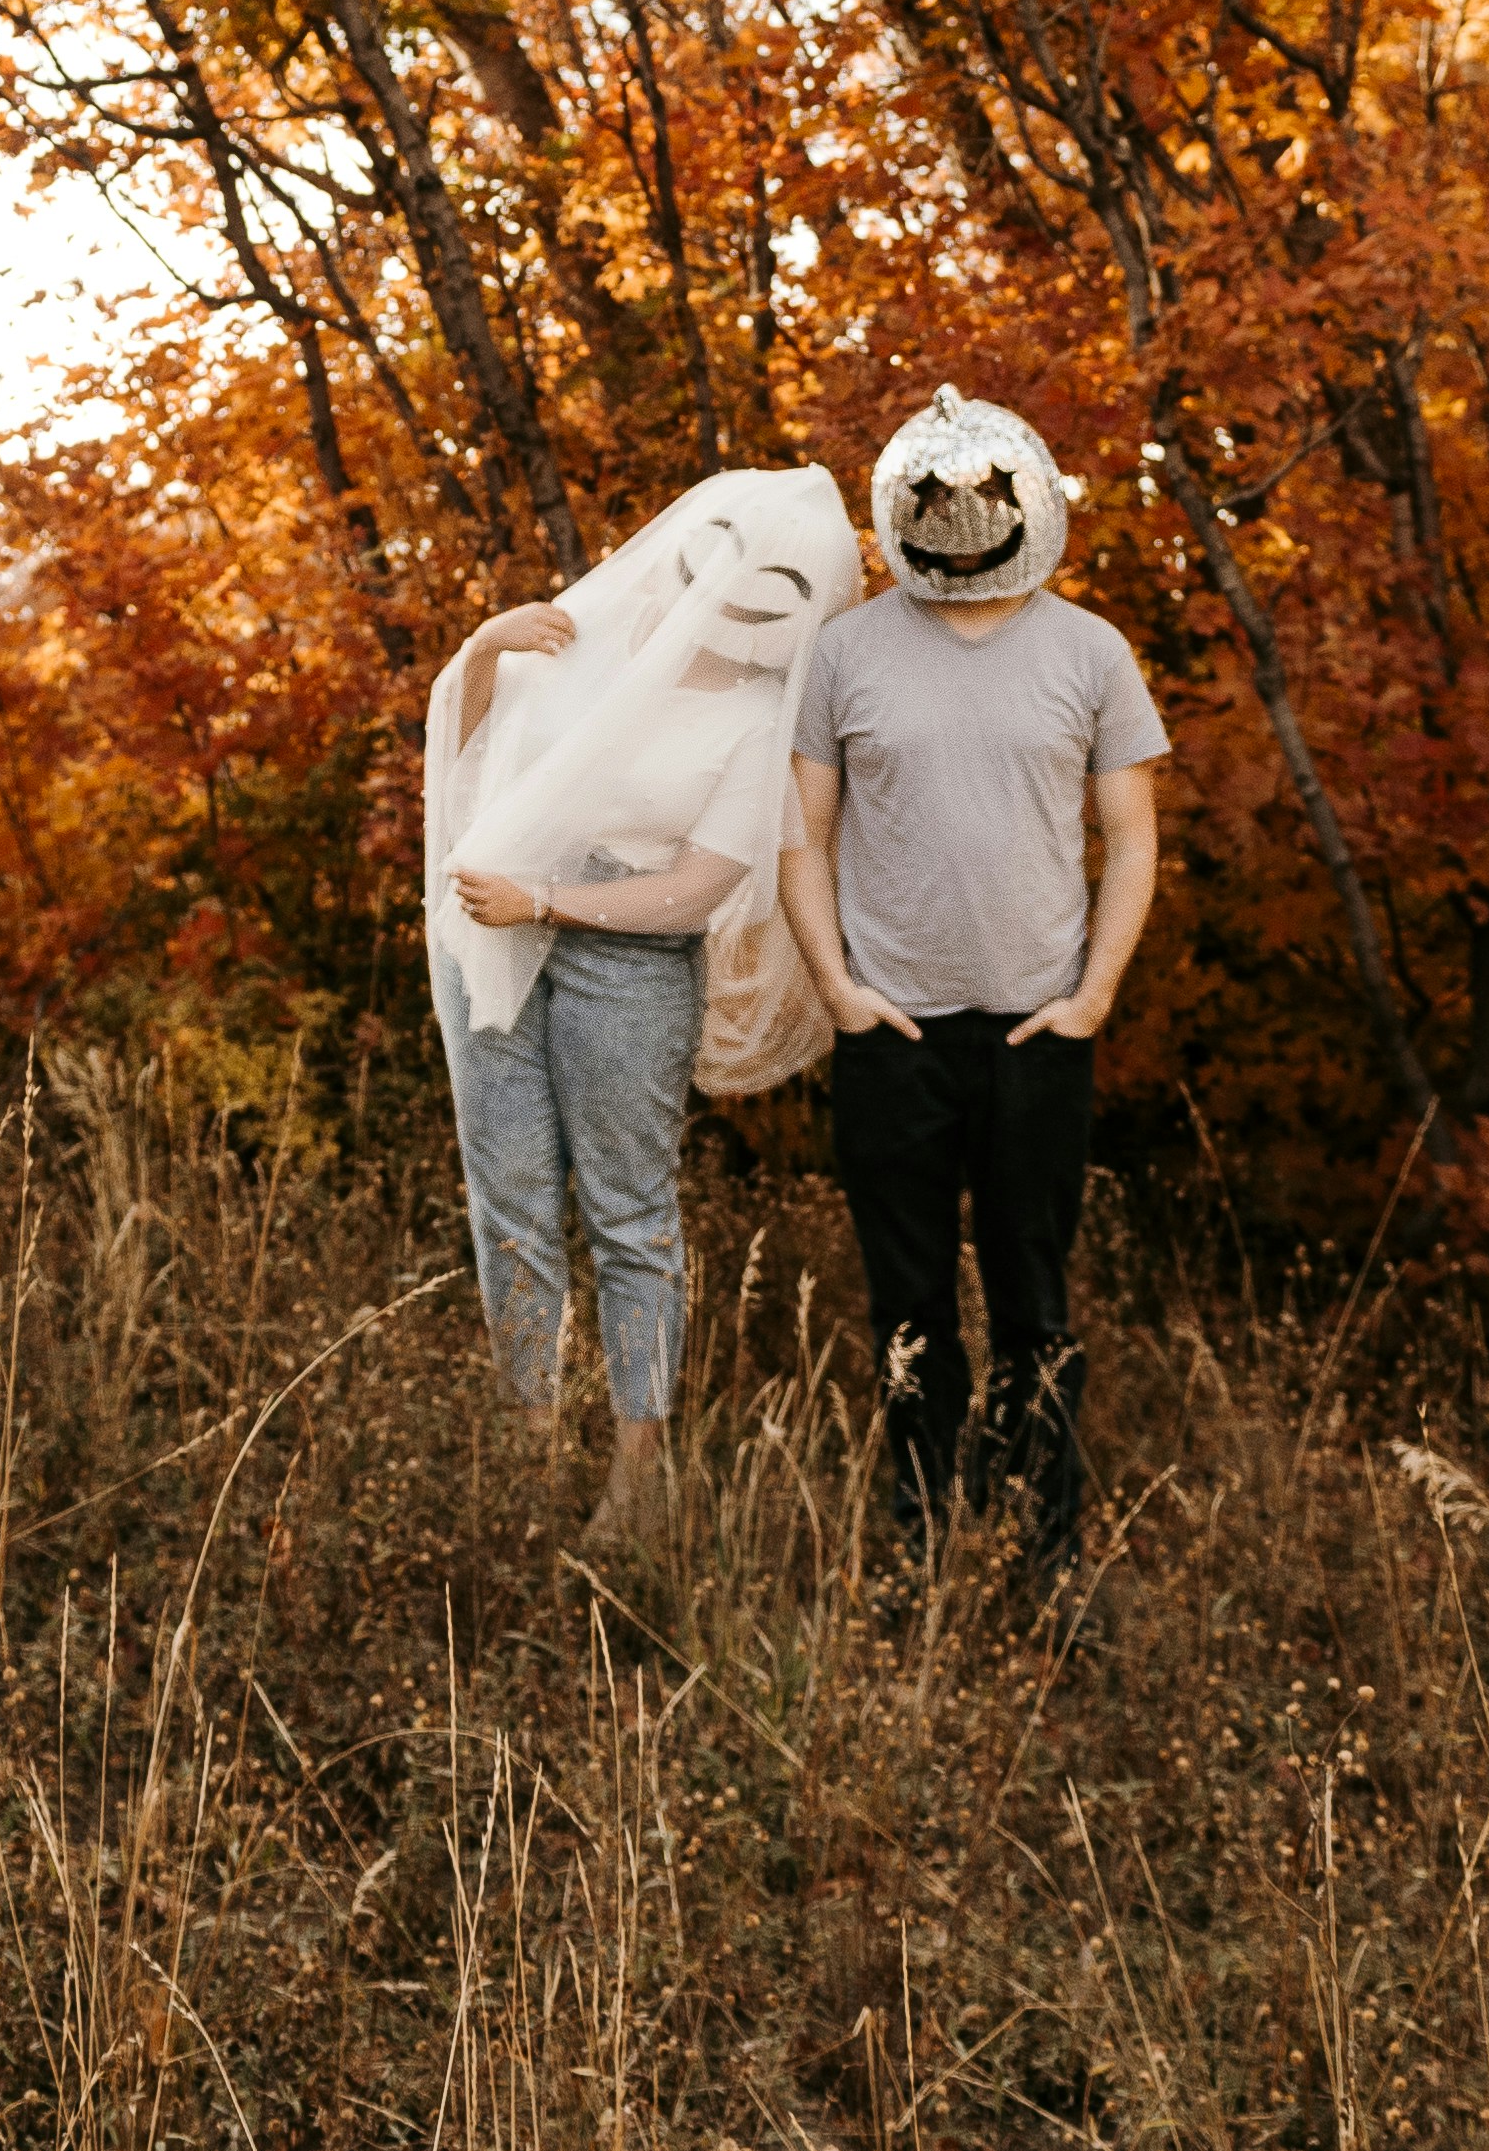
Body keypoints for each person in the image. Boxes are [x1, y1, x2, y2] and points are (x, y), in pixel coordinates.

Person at [422, 463, 860, 1559]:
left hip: (629, 962)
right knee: (508, 1201)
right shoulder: (586, 634)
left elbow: (702, 885)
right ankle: (525, 1448)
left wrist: (550, 900)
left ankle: (636, 1474)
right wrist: (480, 649)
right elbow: (470, 757)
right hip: (488, 936)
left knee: (629, 1216)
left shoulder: (763, 717)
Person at [777, 383, 1169, 1571]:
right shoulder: (843, 652)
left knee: (1034, 1307)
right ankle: (917, 1546)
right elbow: (798, 830)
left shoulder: (1090, 648)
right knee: (906, 1309)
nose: (961, 524)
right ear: (901, 511)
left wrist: (1092, 996)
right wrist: (838, 991)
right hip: (890, 1031)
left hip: (1036, 1034)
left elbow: (1133, 836)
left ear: (1029, 503)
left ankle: (1046, 1554)